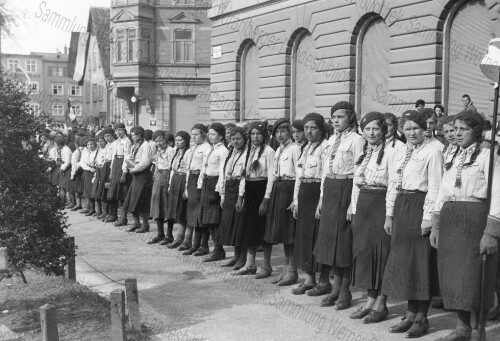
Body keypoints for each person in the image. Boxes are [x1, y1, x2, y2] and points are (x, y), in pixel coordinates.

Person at [430, 110, 499, 340]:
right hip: (451, 215)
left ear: (476, 131)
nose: (457, 134)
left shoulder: (488, 155)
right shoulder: (451, 153)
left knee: (474, 275)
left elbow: (498, 192)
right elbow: (442, 188)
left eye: (463, 130)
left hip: (475, 215)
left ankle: (479, 330)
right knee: (453, 273)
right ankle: (462, 328)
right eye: (455, 129)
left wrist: (491, 231)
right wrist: (436, 223)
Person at [382, 110, 443, 338]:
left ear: (424, 128)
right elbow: (393, 183)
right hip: (402, 205)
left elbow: (435, 186)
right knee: (406, 263)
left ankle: (421, 318)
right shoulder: (401, 150)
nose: (412, 132)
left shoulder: (434, 150)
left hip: (420, 205)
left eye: (416, 128)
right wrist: (389, 215)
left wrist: (428, 217)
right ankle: (409, 314)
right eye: (407, 129)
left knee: (421, 263)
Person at [312, 101, 364, 309]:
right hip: (331, 189)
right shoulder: (331, 140)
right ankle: (334, 288)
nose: (335, 120)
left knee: (343, 243)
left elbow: (359, 172)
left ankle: (345, 291)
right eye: (333, 117)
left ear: (350, 117)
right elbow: (325, 172)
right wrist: (321, 200)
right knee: (330, 242)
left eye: (340, 116)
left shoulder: (357, 140)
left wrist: (353, 203)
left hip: (347, 188)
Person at [350, 112, 394, 323]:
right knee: (366, 252)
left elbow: (394, 184)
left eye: (375, 128)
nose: (371, 132)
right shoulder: (365, 152)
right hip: (364, 204)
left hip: (381, 203)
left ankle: (382, 303)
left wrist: (389, 215)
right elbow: (356, 183)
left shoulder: (393, 152)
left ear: (383, 130)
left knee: (382, 252)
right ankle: (369, 300)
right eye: (367, 129)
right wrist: (353, 208)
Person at [291, 113, 329, 295]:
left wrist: (321, 201)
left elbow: (324, 177)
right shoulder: (304, 148)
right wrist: (296, 200)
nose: (308, 131)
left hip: (317, 193)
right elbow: (299, 176)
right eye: (306, 128)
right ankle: (309, 278)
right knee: (305, 236)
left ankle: (323, 281)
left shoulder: (326, 147)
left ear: (321, 129)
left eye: (313, 128)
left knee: (318, 236)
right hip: (304, 194)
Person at [233, 121, 275, 275]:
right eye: (252, 134)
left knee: (263, 229)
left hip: (261, 190)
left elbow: (271, 176)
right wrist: (240, 197)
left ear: (264, 135)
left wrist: (266, 199)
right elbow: (245, 176)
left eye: (258, 134)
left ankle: (266, 265)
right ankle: (250, 264)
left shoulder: (269, 152)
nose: (255, 137)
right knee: (249, 228)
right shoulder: (249, 151)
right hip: (250, 191)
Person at [262, 118, 298, 285]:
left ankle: (292, 271)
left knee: (290, 233)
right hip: (278, 189)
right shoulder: (278, 151)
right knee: (282, 232)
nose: (280, 135)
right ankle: (285, 270)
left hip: (289, 189)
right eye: (277, 132)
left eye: (283, 131)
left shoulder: (295, 149)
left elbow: (298, 176)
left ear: (289, 132)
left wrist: (295, 199)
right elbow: (273, 175)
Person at [216, 127, 248, 270]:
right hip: (229, 189)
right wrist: (223, 195)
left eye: (239, 138)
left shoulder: (247, 154)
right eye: (233, 138)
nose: (235, 141)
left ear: (244, 139)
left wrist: (241, 197)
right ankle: (235, 256)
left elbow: (244, 178)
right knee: (231, 225)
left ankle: (242, 258)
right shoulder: (231, 153)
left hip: (239, 191)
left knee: (240, 226)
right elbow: (224, 174)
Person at [198, 123, 229, 262]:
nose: (210, 136)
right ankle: (217, 249)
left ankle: (218, 250)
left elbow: (223, 172)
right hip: (207, 183)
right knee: (207, 219)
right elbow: (204, 168)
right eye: (209, 134)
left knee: (214, 220)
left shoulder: (223, 151)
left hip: (215, 184)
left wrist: (219, 190)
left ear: (221, 136)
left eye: (213, 134)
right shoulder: (211, 149)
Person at [183, 124, 212, 256]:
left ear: (204, 135)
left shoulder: (207, 148)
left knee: (200, 216)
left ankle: (203, 245)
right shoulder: (194, 148)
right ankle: (195, 245)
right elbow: (189, 168)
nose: (193, 137)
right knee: (193, 215)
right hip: (192, 180)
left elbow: (204, 169)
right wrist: (187, 187)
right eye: (192, 134)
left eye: (196, 134)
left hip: (200, 181)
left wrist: (200, 187)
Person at [122, 126, 154, 233]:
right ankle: (136, 223)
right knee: (132, 199)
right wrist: (130, 164)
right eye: (131, 136)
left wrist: (135, 169)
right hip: (136, 175)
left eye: (134, 135)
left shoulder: (146, 146)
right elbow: (128, 157)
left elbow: (146, 162)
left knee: (143, 200)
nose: (132, 137)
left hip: (143, 175)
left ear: (140, 135)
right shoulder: (135, 146)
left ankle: (145, 224)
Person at [147, 130, 176, 244]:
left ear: (165, 139)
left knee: (167, 207)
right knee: (156, 206)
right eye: (156, 141)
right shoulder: (158, 151)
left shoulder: (171, 151)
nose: (158, 143)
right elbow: (156, 163)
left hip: (167, 176)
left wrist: (169, 182)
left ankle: (169, 235)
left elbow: (173, 167)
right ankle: (160, 234)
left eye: (160, 140)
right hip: (158, 177)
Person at [165, 131, 191, 248]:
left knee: (184, 211)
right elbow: (172, 170)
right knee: (178, 211)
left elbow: (189, 170)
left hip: (183, 180)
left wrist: (186, 187)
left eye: (180, 140)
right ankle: (178, 238)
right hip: (175, 180)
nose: (178, 142)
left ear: (186, 141)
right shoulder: (176, 152)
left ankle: (185, 239)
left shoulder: (189, 152)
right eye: (176, 140)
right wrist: (170, 184)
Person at [111, 123, 132, 226]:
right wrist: (111, 171)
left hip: (123, 165)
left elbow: (127, 158)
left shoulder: (127, 142)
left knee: (123, 194)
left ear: (124, 130)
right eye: (116, 130)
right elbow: (113, 157)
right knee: (116, 193)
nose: (118, 132)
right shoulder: (116, 142)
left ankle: (123, 218)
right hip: (115, 165)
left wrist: (124, 173)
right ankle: (115, 215)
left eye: (120, 130)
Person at [101, 128, 117, 221]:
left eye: (108, 136)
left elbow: (113, 158)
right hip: (106, 166)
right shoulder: (108, 145)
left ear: (112, 135)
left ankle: (113, 214)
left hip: (112, 166)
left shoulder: (115, 144)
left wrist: (111, 171)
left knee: (112, 191)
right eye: (105, 136)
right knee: (106, 191)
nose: (107, 138)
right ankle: (108, 212)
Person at [90, 134, 108, 217]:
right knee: (97, 191)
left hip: (104, 170)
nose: (99, 143)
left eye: (101, 141)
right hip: (98, 171)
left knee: (103, 192)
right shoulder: (99, 150)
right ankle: (99, 210)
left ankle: (105, 211)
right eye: (98, 142)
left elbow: (105, 161)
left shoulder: (107, 149)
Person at [80, 138, 98, 216]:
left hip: (95, 171)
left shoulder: (97, 151)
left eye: (91, 144)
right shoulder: (85, 152)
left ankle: (99, 210)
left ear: (94, 144)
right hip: (88, 171)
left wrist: (94, 168)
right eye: (88, 144)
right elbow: (82, 162)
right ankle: (91, 208)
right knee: (88, 191)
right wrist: (89, 168)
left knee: (94, 191)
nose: (90, 146)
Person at [68, 136, 85, 211]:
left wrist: (72, 174)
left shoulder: (76, 153)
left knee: (76, 189)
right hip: (81, 171)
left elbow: (74, 164)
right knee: (79, 189)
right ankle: (79, 204)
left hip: (77, 172)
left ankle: (78, 204)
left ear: (76, 144)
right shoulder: (81, 151)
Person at [55, 136, 72, 205]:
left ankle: (69, 201)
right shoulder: (61, 149)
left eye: (56, 145)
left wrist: (62, 169)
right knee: (61, 185)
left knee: (66, 185)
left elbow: (68, 161)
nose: (55, 146)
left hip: (67, 169)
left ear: (59, 144)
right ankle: (63, 200)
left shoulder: (66, 149)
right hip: (62, 167)